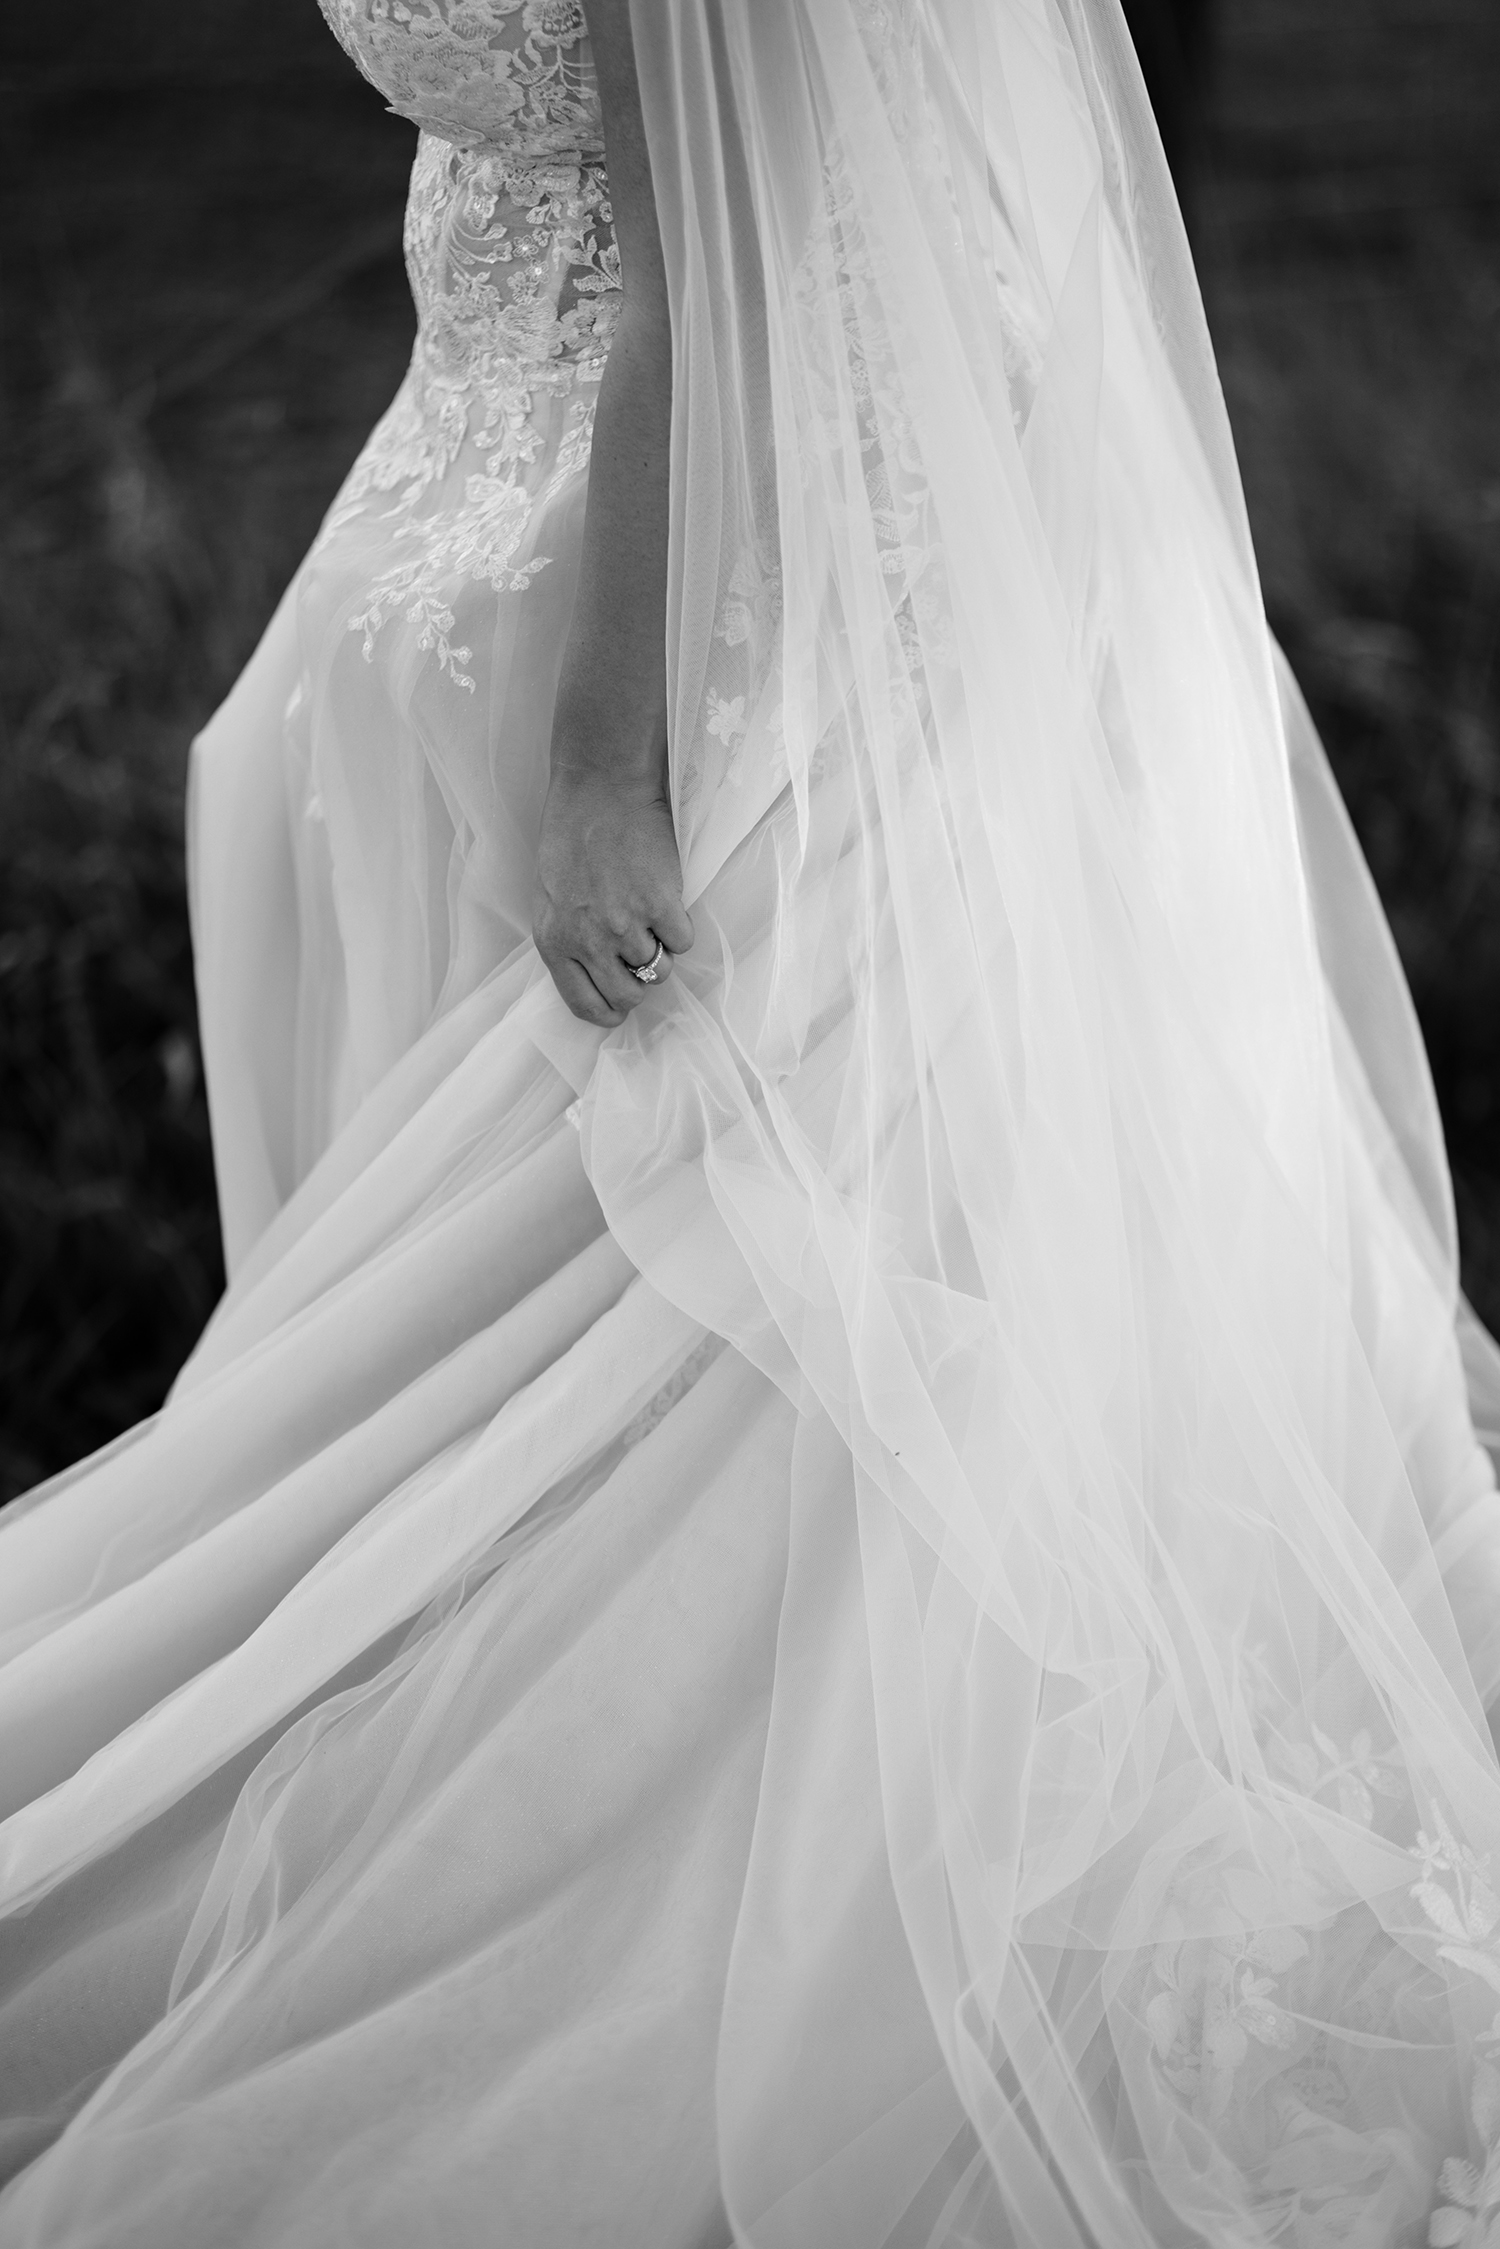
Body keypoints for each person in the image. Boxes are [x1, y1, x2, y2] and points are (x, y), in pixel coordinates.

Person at [3, 2, 1500, 2242]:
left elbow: (720, 254)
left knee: (717, 1326)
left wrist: (609, 766)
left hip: (720, 558)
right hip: (487, 491)